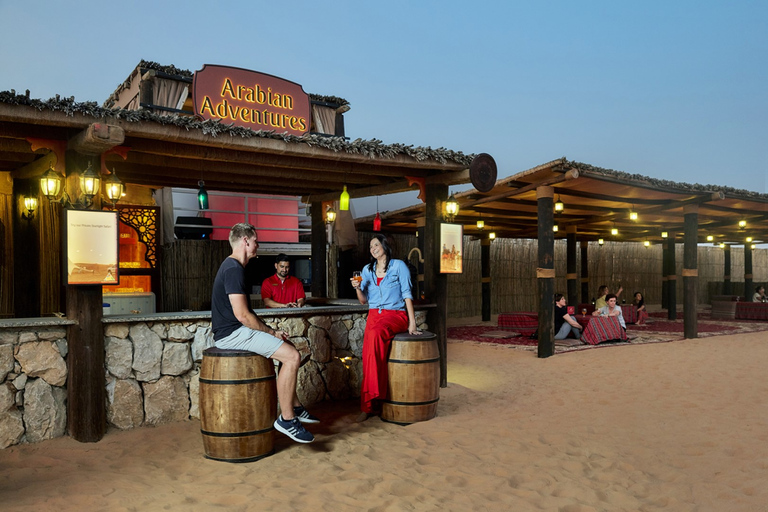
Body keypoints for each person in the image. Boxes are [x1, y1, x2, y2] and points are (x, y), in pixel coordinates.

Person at [211, 223, 318, 443]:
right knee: (292, 356)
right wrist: (270, 331)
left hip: (235, 330)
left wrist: (274, 334)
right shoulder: (233, 269)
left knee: (286, 351)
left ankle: (295, 407)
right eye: (256, 240)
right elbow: (243, 316)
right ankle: (287, 419)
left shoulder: (233, 267)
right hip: (232, 334)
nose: (258, 244)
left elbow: (246, 314)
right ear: (245, 241)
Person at [350, 234, 420, 421]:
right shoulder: (367, 269)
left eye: (376, 244)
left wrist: (412, 322)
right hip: (374, 316)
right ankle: (369, 405)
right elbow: (364, 300)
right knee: (369, 357)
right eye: (370, 246)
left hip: (395, 315)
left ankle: (374, 399)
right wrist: (357, 287)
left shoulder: (398, 266)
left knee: (374, 338)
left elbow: (407, 294)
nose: (372, 248)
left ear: (385, 246)